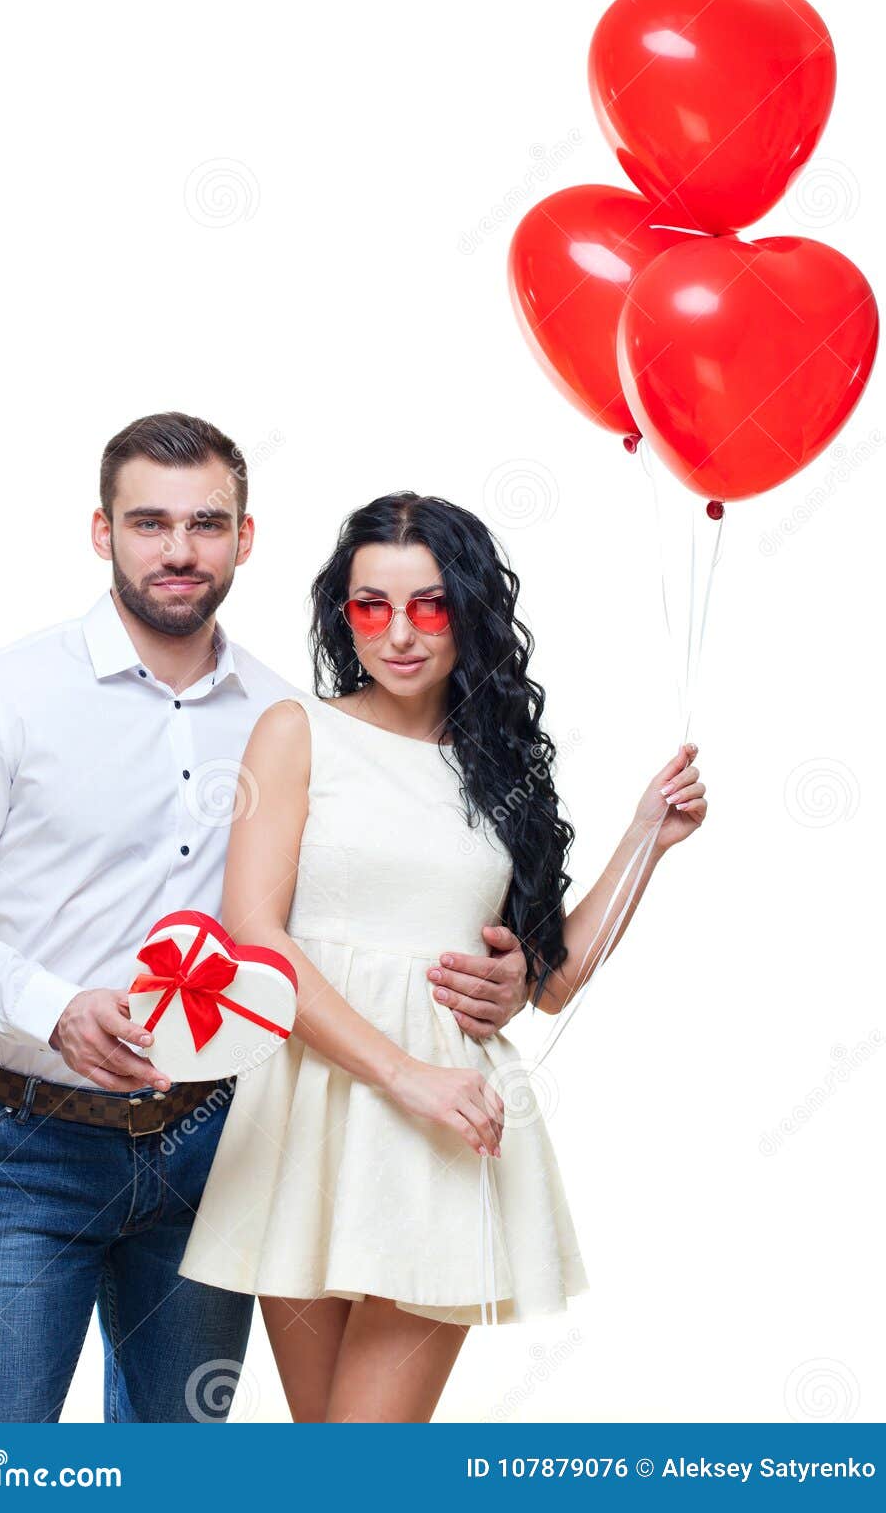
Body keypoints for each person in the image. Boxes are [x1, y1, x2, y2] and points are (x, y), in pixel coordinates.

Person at [0, 413, 531, 1423]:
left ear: (244, 538)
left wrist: (511, 967)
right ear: (102, 532)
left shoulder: (290, 719)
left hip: (216, 1146)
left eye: (205, 524)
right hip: (28, 1145)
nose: (177, 551)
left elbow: (349, 912)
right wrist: (53, 1006)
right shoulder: (1, 694)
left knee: (178, 1470)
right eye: (148, 523)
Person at [179, 490, 707, 1422]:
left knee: (364, 1462)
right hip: (309, 1113)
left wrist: (645, 839)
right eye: (370, 606)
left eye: (428, 604)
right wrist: (401, 1073)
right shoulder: (295, 730)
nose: (400, 633)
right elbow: (253, 936)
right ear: (343, 615)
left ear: (467, 607)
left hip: (443, 1131)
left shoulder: (500, 768)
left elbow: (551, 981)